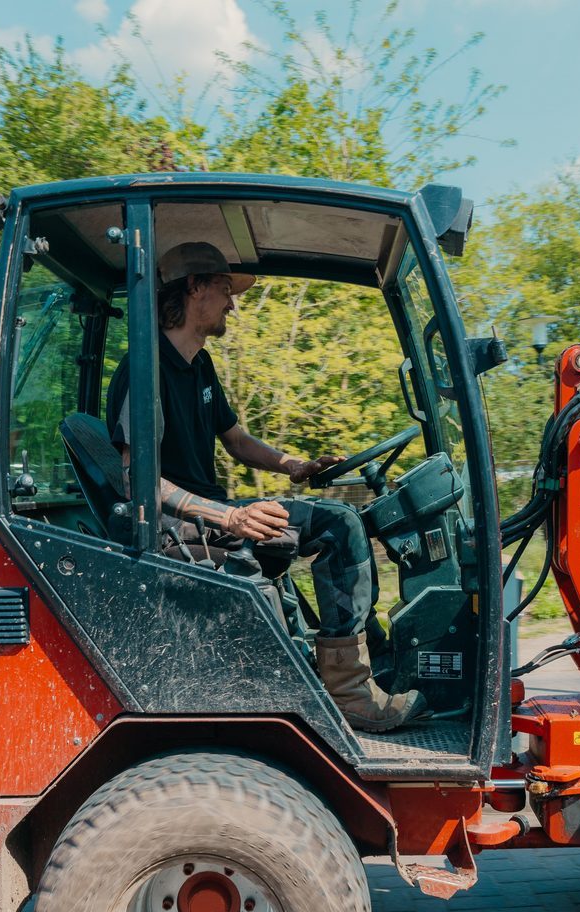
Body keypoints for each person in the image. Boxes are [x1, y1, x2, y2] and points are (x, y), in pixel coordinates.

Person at [105, 241, 426, 733]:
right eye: (225, 290)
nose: (233, 303)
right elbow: (135, 479)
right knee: (338, 527)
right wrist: (229, 517)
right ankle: (350, 695)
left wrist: (294, 465)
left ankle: (363, 668)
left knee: (339, 520)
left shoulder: (200, 365)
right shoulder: (143, 371)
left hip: (209, 518)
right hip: (179, 529)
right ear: (195, 289)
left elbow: (235, 440)